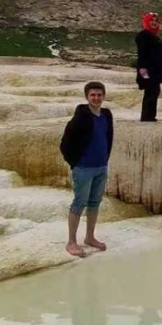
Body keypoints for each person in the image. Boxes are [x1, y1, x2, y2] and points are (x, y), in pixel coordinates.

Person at [58, 81, 114, 257]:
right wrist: (74, 162)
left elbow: (108, 137)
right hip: (83, 168)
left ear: (104, 96)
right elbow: (65, 143)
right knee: (79, 203)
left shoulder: (106, 114)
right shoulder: (81, 116)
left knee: (94, 203)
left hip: (101, 167)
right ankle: (71, 242)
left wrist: (105, 159)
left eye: (99, 94)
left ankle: (90, 237)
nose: (96, 98)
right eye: (93, 95)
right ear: (87, 97)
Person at [135, 12, 162, 122]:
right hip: (147, 70)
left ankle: (151, 116)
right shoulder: (143, 35)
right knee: (150, 92)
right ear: (147, 22)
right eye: (152, 21)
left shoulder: (155, 36)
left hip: (155, 71)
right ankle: (146, 117)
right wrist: (143, 73)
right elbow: (141, 55)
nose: (154, 23)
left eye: (156, 21)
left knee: (155, 91)